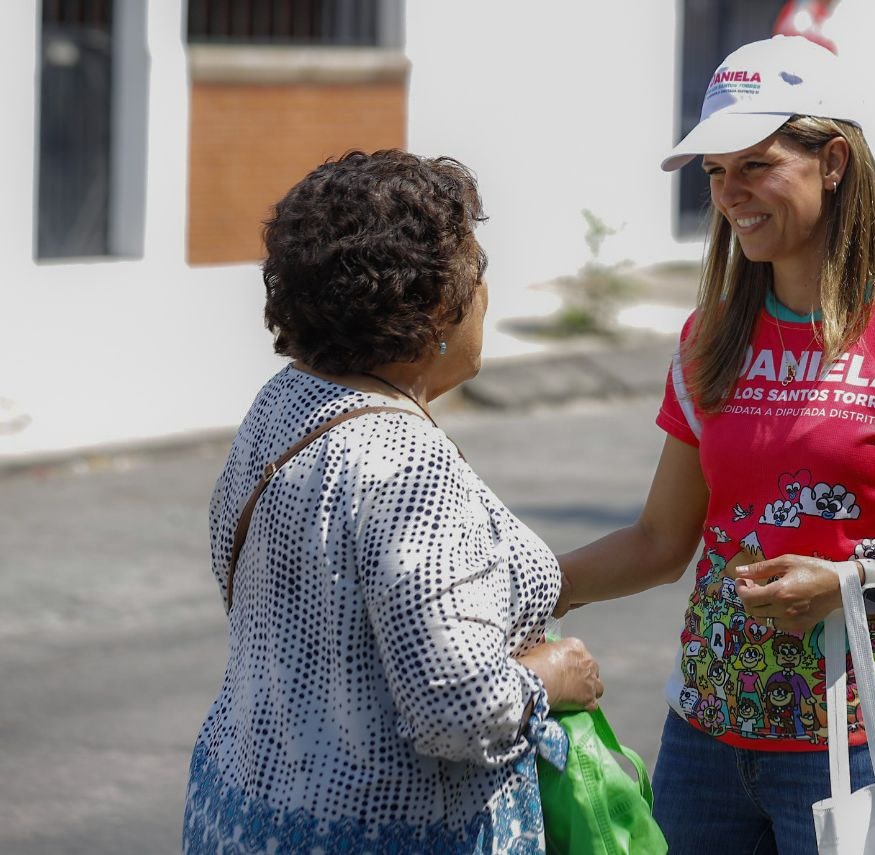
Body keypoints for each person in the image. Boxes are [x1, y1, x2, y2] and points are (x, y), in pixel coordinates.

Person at [554, 36, 875, 854]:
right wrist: (528, 589)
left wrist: (855, 582)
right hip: (704, 737)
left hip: (864, 740)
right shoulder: (709, 337)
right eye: (716, 172)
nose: (729, 192)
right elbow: (661, 540)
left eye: (755, 164)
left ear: (833, 160)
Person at [182, 150, 604, 854]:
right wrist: (549, 678)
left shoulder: (284, 402)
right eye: (477, 268)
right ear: (437, 305)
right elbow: (460, 710)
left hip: (242, 807)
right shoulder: (408, 462)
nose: (486, 293)